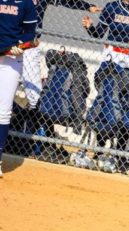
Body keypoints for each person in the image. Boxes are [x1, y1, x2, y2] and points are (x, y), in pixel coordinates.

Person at [21, 0, 100, 122]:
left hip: (30, 43)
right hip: (10, 39)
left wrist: (87, 6)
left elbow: (66, 1)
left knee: (33, 93)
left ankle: (32, 124)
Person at [0, 0, 38, 178]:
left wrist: (20, 45)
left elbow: (30, 34)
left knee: (3, 111)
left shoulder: (26, 3)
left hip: (10, 62)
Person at [82, 0, 129, 77]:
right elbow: (98, 35)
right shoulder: (112, 7)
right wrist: (90, 27)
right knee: (105, 85)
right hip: (110, 55)